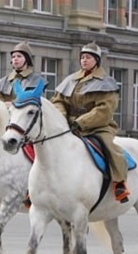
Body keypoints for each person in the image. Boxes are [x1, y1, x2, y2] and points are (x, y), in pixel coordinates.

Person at [52, 42, 128, 202]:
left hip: (98, 127)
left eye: (88, 57)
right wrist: (61, 116)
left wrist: (81, 122)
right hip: (69, 125)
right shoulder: (71, 79)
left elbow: (104, 110)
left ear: (97, 60)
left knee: (109, 148)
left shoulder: (107, 82)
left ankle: (119, 183)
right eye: (82, 57)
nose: (84, 60)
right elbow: (58, 100)